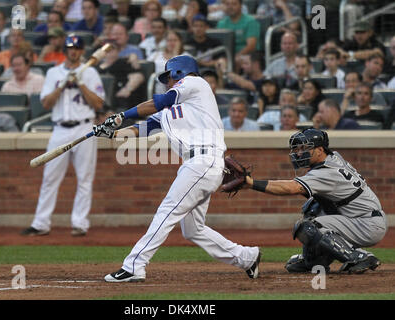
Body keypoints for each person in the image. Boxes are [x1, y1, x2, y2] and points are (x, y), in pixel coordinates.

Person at [93, 55, 261, 282]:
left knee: (167, 211)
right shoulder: (174, 109)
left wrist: (121, 115)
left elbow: (158, 102)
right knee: (193, 229)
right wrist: (112, 132)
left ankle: (134, 265)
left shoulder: (195, 83)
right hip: (197, 164)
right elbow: (144, 128)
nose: (168, 82)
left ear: (179, 72)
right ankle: (246, 257)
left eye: (169, 77)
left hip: (203, 160)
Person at [240, 128, 386, 274]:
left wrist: (252, 183)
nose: (298, 153)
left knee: (309, 226)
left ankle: (358, 256)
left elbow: (292, 188)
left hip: (366, 224)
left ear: (320, 150)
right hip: (359, 218)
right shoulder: (333, 157)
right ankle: (315, 261)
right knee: (312, 208)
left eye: (304, 148)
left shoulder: (326, 172)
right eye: (297, 149)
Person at [21, 35, 105, 237]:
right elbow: (46, 103)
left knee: (85, 178)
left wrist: (81, 83)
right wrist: (62, 84)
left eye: (76, 48)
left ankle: (80, 223)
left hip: (84, 127)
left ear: (82, 51)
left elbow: (99, 104)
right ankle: (41, 223)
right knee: (50, 177)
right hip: (60, 129)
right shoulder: (53, 72)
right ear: (65, 51)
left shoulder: (90, 72)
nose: (72, 51)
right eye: (69, 48)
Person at [96, 42, 145, 111]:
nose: (109, 52)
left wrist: (127, 89)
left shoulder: (124, 62)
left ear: (118, 51)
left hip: (119, 99)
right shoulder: (96, 67)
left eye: (112, 49)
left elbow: (138, 76)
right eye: (106, 49)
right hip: (99, 98)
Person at [217, 0, 260, 66]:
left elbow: (251, 46)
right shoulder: (221, 23)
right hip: (227, 55)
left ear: (241, 6)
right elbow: (218, 44)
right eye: (227, 4)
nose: (230, 7)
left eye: (234, 4)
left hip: (247, 55)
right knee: (219, 62)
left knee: (236, 60)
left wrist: (236, 56)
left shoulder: (250, 21)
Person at [148, 30, 190, 94]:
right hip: (157, 83)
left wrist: (175, 53)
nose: (172, 43)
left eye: (175, 40)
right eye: (169, 40)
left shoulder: (186, 56)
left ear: (180, 42)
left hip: (178, 85)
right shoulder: (156, 54)